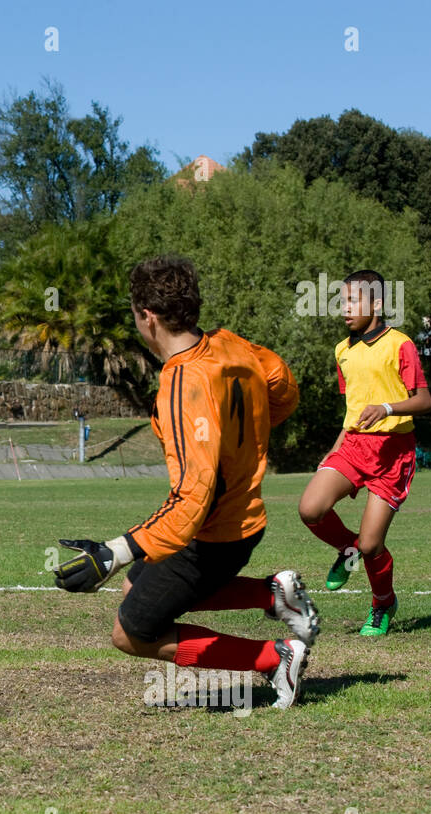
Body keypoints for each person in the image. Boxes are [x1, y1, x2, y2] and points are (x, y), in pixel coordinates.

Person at [53, 255, 316, 710]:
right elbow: (283, 384)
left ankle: (274, 657)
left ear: (148, 317)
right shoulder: (231, 344)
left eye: (136, 315)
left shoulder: (181, 381)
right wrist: (248, 435)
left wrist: (113, 552)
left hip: (210, 535)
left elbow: (193, 498)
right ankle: (273, 594)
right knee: (136, 589)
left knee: (131, 632)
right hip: (240, 521)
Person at [297, 269, 431, 637]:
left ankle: (383, 603)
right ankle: (346, 550)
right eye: (342, 302)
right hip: (354, 445)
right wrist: (335, 448)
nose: (345, 309)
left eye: (352, 301)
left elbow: (424, 400)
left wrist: (388, 409)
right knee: (310, 508)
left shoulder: (400, 344)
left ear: (377, 304)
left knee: (372, 545)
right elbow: (353, 409)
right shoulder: (343, 350)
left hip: (393, 451)